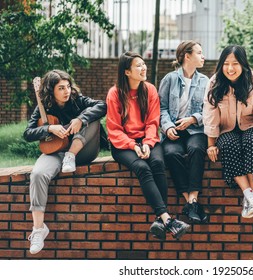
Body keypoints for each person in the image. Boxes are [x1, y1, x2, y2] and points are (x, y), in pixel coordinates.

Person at [106, 51, 190, 240]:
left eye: (144, 64)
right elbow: (114, 129)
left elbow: (153, 122)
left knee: (158, 164)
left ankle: (161, 222)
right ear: (127, 72)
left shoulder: (150, 90)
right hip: (122, 144)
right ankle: (168, 220)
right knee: (143, 168)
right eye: (138, 65)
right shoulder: (115, 94)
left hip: (148, 139)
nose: (143, 68)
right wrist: (133, 146)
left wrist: (147, 143)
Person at [23, 69, 107, 254]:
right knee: (37, 174)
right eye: (61, 88)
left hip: (83, 151)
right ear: (51, 90)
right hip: (55, 153)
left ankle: (71, 154)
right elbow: (27, 133)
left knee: (90, 117)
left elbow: (103, 106)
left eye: (68, 86)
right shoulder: (43, 107)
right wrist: (49, 129)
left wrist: (80, 119)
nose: (66, 91)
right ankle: (38, 229)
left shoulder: (78, 100)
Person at [203, 45, 253, 219]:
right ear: (221, 65)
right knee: (229, 146)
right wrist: (211, 145)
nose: (230, 68)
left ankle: (249, 198)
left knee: (252, 142)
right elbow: (210, 116)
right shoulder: (214, 83)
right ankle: (250, 195)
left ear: (243, 64)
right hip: (226, 129)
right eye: (226, 64)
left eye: (235, 63)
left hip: (251, 125)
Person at [159, 40, 209, 223]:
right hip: (173, 129)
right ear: (187, 56)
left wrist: (194, 118)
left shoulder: (205, 81)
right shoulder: (170, 79)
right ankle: (190, 202)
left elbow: (209, 109)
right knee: (171, 153)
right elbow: (161, 108)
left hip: (195, 129)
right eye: (199, 53)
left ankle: (192, 199)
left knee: (196, 150)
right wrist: (168, 127)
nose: (203, 56)